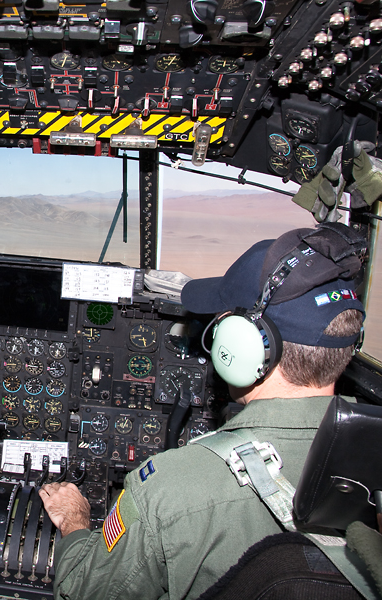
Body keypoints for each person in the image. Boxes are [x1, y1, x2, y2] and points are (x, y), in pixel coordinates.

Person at [40, 225, 365, 600]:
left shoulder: (170, 491)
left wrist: (75, 523)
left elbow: (86, 591)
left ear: (242, 346)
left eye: (221, 323)